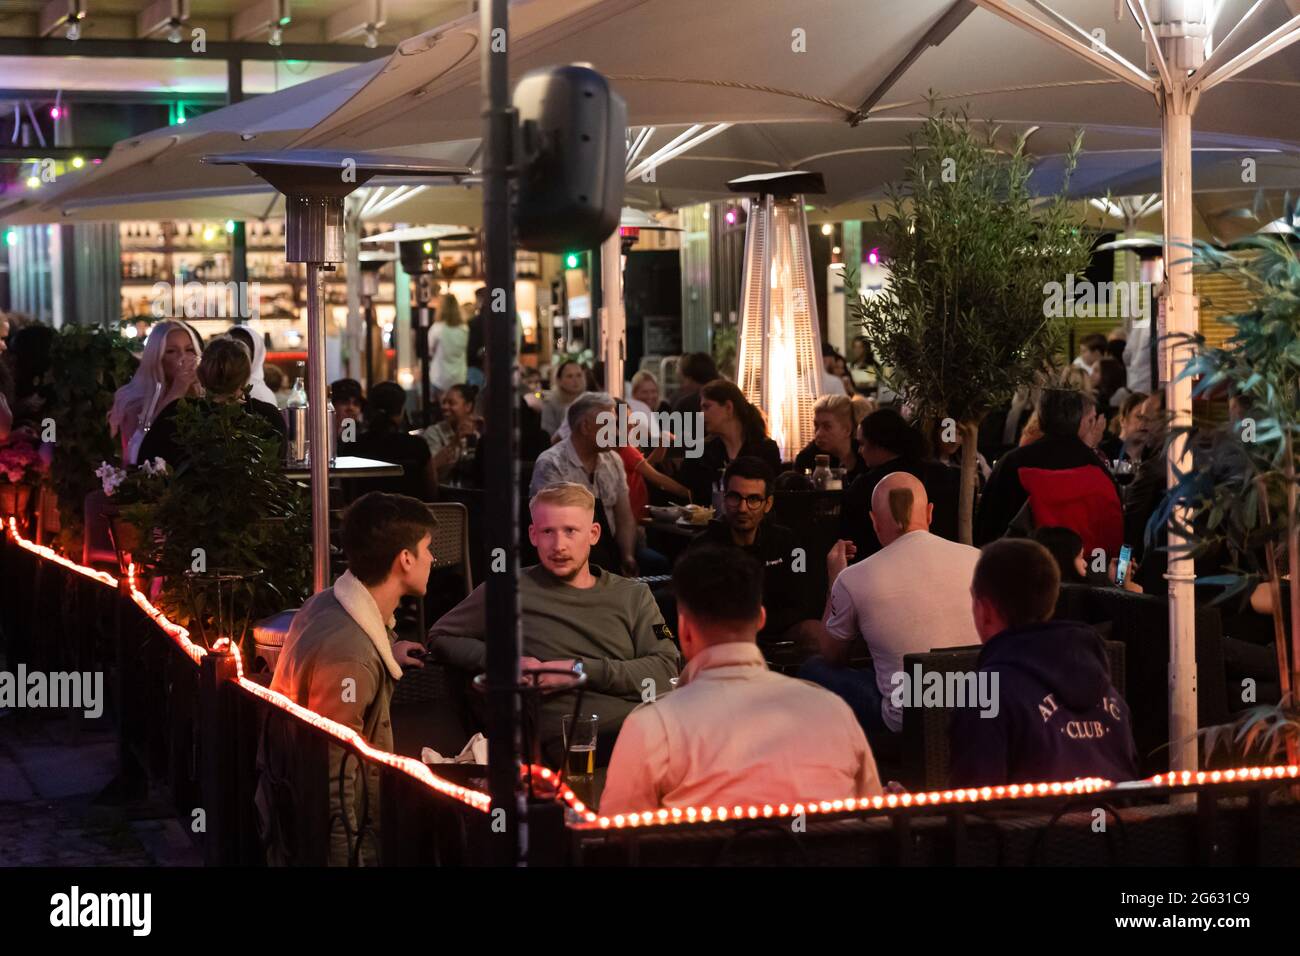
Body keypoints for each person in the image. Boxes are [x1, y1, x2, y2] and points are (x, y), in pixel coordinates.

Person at [600, 546, 881, 814]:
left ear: (684, 629)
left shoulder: (650, 728)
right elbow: (873, 822)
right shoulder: (834, 712)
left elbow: (618, 843)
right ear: (760, 619)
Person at [428, 482, 679, 761]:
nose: (559, 545)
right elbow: (439, 636)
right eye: (548, 531)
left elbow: (666, 669)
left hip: (651, 727)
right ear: (533, 535)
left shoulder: (634, 594)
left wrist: (576, 670)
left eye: (571, 531)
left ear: (593, 534)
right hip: (582, 743)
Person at [262, 492, 434, 865]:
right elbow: (333, 785)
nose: (433, 558)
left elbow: (361, 631)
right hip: (328, 841)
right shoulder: (350, 658)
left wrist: (389, 648)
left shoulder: (326, 602)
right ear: (405, 559)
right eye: (427, 547)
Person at [801, 473, 982, 735]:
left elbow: (832, 654)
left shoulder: (854, 577)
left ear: (874, 521)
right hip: (979, 707)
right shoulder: (978, 560)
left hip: (909, 725)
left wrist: (836, 579)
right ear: (930, 513)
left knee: (812, 669)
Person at [949, 539, 1139, 787]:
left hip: (1034, 825)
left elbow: (971, 812)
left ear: (984, 609)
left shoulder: (986, 693)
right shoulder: (1111, 694)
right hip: (1114, 825)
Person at [689, 457, 822, 645]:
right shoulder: (703, 548)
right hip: (723, 637)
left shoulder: (788, 542)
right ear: (724, 498)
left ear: (768, 504)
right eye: (735, 497)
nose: (742, 508)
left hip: (776, 629)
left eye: (753, 499)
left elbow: (803, 601)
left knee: (815, 632)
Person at [974, 387, 1119, 550]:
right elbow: (1115, 533)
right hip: (1085, 568)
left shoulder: (1013, 463)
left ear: (1040, 418)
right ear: (1080, 420)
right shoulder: (1098, 469)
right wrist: (1119, 576)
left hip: (1020, 564)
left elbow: (987, 528)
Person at [530, 392, 639, 575]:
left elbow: (624, 517)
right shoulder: (551, 463)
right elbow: (551, 525)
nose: (616, 432)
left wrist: (627, 555)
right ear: (586, 427)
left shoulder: (613, 460)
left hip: (611, 554)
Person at [136, 335, 285, 468]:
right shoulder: (267, 416)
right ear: (247, 376)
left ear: (201, 375)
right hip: (254, 499)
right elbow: (278, 469)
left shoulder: (178, 415)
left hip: (187, 499)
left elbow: (146, 465)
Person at [839, 407, 959, 560]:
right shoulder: (946, 474)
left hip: (881, 569)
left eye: (862, 444)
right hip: (944, 561)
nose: (860, 451)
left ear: (880, 444)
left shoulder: (865, 486)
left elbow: (851, 543)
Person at [673, 379, 781, 507]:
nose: (701, 415)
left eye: (706, 407)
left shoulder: (765, 449)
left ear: (729, 407)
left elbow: (771, 498)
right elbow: (683, 488)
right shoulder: (703, 450)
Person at [108, 319, 203, 465]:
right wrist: (176, 392)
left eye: (189, 350)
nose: (183, 357)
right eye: (171, 351)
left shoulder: (203, 396)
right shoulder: (133, 401)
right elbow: (140, 451)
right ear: (157, 357)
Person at [349, 381, 437, 501]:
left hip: (366, 516)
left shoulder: (355, 444)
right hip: (410, 515)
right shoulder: (418, 445)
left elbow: (347, 491)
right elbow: (432, 490)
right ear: (401, 411)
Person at [1033, 525, 1141, 593]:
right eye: (1080, 557)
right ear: (1065, 562)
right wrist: (1130, 593)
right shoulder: (1080, 598)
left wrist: (1114, 583)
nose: (1085, 563)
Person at [793, 393, 865, 482]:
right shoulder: (806, 459)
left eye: (827, 427)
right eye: (816, 425)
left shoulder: (865, 454)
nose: (818, 433)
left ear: (847, 430)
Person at [421, 383, 481, 483]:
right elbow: (429, 471)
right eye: (444, 402)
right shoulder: (433, 432)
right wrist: (455, 442)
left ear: (468, 406)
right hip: (446, 493)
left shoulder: (477, 433)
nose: (445, 407)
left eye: (451, 403)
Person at [428, 292, 469, 409]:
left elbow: (429, 350)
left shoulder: (437, 328)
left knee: (441, 411)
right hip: (459, 377)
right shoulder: (464, 328)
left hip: (440, 377)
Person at [227, 325, 277, 407]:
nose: (232, 355)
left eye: (241, 351)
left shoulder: (262, 396)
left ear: (256, 356)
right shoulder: (218, 390)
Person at [540, 359, 589, 439]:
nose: (575, 380)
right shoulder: (551, 403)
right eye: (569, 376)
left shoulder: (590, 400)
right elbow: (548, 436)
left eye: (579, 375)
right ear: (559, 381)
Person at [669, 352, 719, 419]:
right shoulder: (730, 399)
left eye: (682, 381)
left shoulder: (685, 406)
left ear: (691, 379)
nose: (682, 387)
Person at [330, 378, 365, 449]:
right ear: (332, 405)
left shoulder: (362, 434)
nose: (351, 408)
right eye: (344, 402)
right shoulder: (321, 432)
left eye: (356, 403)